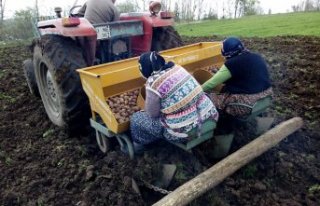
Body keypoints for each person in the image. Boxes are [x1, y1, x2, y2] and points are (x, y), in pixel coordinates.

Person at [130, 51, 219, 150]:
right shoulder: (178, 68)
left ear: (145, 70)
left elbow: (153, 114)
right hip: (211, 116)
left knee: (136, 119)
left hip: (183, 132)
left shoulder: (153, 83)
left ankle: (139, 148)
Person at [202, 37, 273, 117]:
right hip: (267, 96)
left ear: (226, 53)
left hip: (248, 103)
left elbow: (211, 84)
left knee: (208, 99)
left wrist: (196, 92)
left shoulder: (232, 63)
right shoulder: (256, 56)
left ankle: (222, 123)